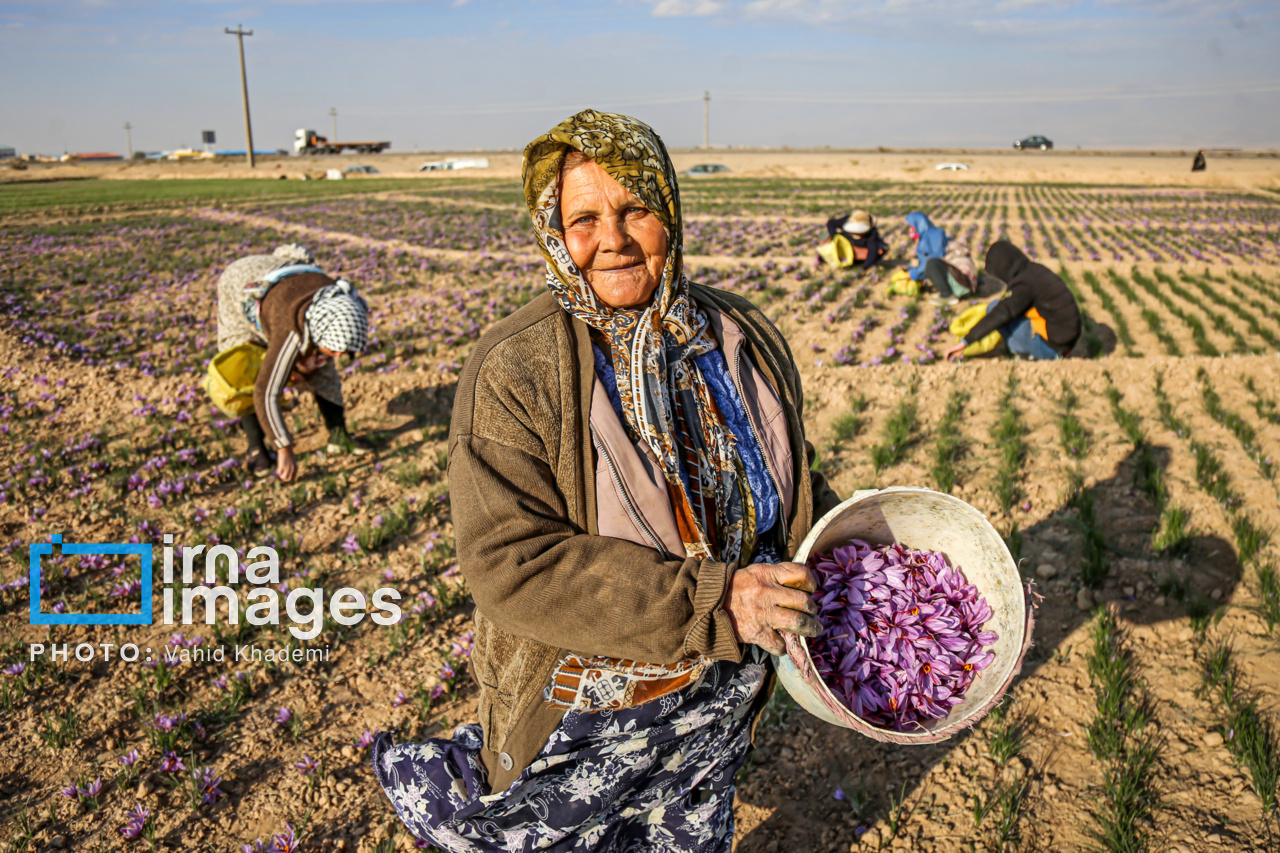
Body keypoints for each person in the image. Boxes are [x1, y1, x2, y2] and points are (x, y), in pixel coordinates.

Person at [371, 109, 842, 852]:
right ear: (553, 231)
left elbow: (795, 482)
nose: (613, 238)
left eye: (636, 209)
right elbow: (512, 564)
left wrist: (864, 548)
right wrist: (718, 600)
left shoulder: (741, 337)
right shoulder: (517, 369)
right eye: (583, 217)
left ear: (671, 213)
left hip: (721, 696)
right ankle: (440, 782)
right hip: (590, 713)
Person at [214, 244, 370, 481]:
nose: (339, 356)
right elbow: (265, 393)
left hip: (290, 282)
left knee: (322, 370)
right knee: (246, 369)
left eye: (344, 351)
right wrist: (284, 447)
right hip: (241, 285)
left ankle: (339, 437)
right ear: (317, 330)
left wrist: (306, 365)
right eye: (336, 349)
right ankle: (257, 448)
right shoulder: (291, 330)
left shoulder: (339, 306)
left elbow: (329, 353)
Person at [944, 240, 1081, 361]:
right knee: (1003, 308)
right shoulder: (1034, 271)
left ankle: (1026, 354)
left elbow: (1002, 312)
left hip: (1051, 348)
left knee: (996, 309)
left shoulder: (1024, 285)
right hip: (1066, 342)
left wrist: (967, 341)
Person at [922, 237, 978, 306]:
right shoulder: (965, 258)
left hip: (961, 287)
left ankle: (947, 295)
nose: (947, 251)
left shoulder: (954, 257)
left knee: (932, 263)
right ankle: (945, 292)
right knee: (935, 265)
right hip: (967, 290)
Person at [905, 212, 949, 284]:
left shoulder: (927, 240)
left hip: (950, 273)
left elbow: (929, 263)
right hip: (949, 269)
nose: (910, 231)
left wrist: (913, 274)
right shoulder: (931, 233)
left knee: (932, 265)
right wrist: (910, 268)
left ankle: (946, 293)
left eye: (912, 228)